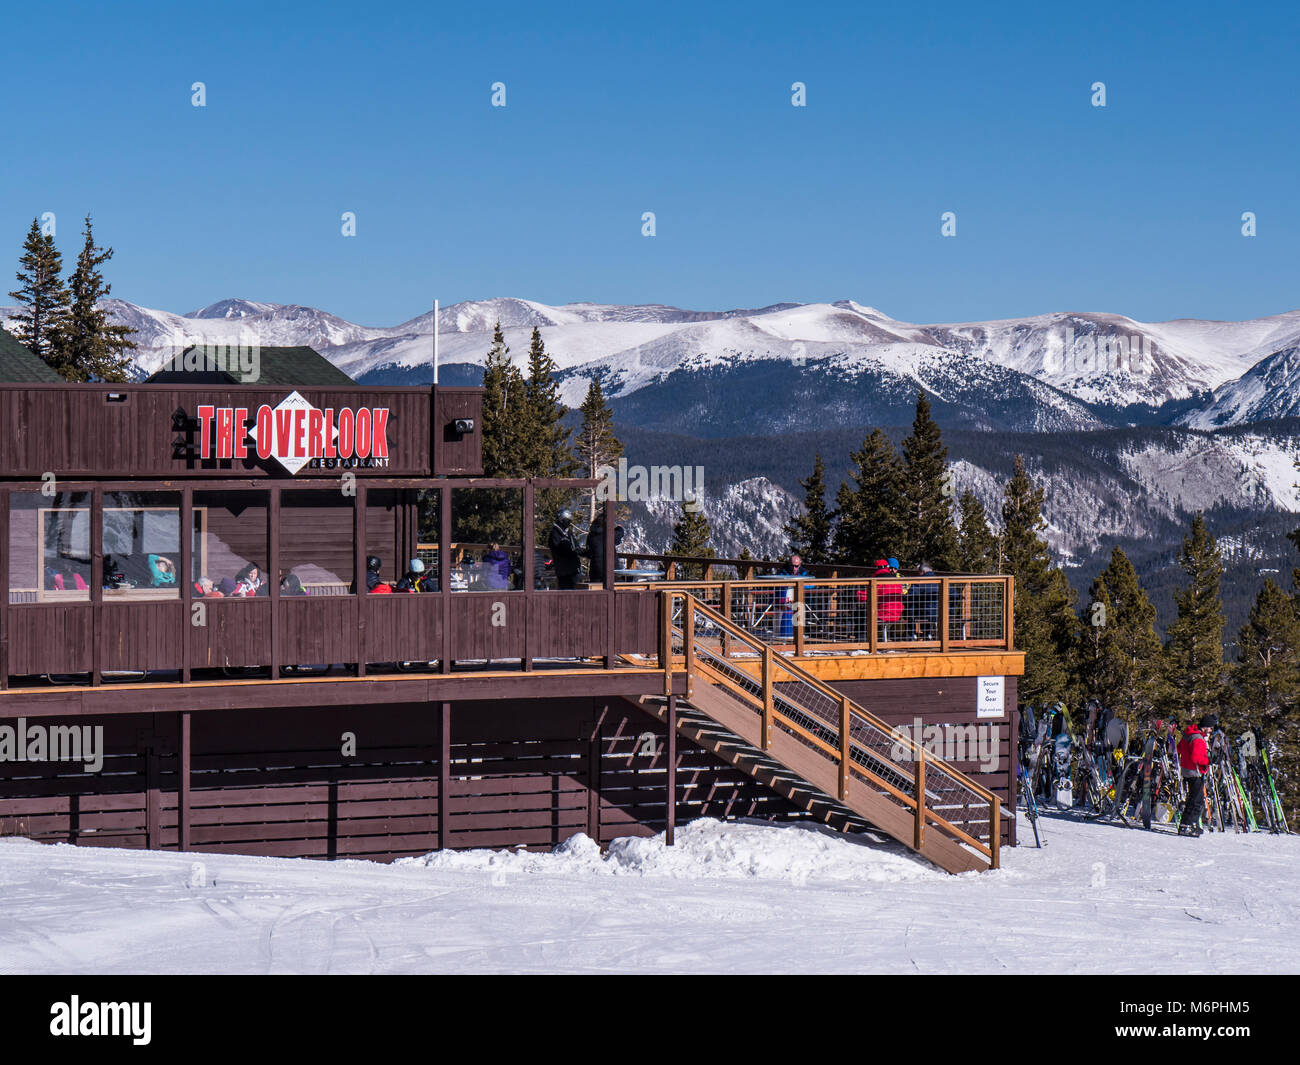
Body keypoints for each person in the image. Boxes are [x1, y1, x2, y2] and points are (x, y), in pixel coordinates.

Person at [1177, 714, 1212, 836]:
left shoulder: (1189, 734)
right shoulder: (1198, 738)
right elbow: (1196, 757)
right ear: (1205, 727)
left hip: (1186, 770)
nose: (1211, 730)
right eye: (1210, 727)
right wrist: (1208, 761)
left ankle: (1187, 825)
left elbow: (1179, 748)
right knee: (1196, 800)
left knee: (1193, 798)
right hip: (1195, 772)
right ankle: (1187, 826)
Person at [548, 509, 582, 589]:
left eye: (569, 521)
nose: (568, 523)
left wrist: (580, 551)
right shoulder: (555, 533)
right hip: (563, 570)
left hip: (573, 569)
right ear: (561, 520)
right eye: (566, 520)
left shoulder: (568, 533)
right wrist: (571, 551)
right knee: (566, 591)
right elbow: (558, 550)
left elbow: (575, 545)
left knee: (576, 589)